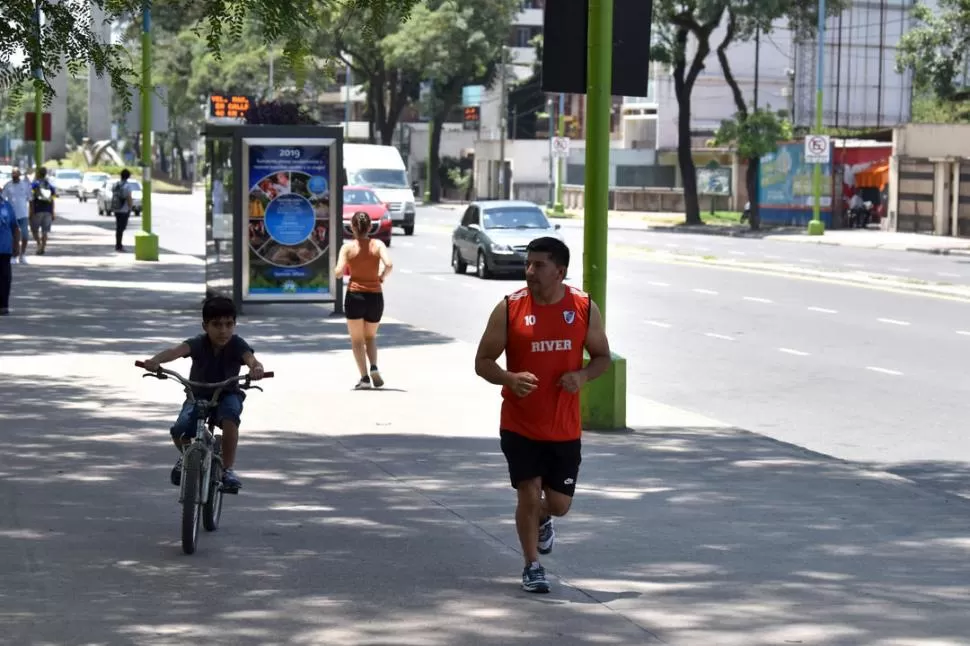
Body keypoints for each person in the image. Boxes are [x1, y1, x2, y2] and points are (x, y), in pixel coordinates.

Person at [474, 237, 612, 594]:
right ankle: (532, 565)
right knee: (528, 492)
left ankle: (546, 519)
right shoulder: (509, 308)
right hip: (519, 422)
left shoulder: (583, 307)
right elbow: (483, 362)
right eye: (529, 264)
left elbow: (601, 358)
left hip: (563, 426)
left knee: (560, 504)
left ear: (560, 271)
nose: (530, 271)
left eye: (539, 265)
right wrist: (508, 378)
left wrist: (581, 375)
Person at [139, 296, 264, 492]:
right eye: (216, 325)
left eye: (228, 324)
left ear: (234, 325)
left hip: (227, 394)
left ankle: (227, 469)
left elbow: (252, 360)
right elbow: (175, 351)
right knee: (179, 430)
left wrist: (256, 369)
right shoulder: (198, 343)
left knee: (231, 418)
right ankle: (187, 455)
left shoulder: (237, 344)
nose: (223, 330)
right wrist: (155, 361)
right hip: (197, 395)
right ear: (205, 326)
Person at [334, 211, 393, 390]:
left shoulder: (348, 248)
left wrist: (341, 270)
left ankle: (365, 378)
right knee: (371, 337)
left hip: (355, 296)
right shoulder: (378, 244)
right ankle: (374, 366)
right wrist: (381, 277)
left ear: (352, 227)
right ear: (369, 227)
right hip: (375, 296)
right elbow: (389, 264)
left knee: (357, 340)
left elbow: (338, 271)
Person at [2, 168, 31, 263]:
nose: (14, 175)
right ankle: (14, 255)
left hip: (23, 214)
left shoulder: (25, 185)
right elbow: (3, 198)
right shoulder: (8, 185)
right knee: (13, 237)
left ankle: (23, 254)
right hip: (12, 215)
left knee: (25, 236)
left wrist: (31, 212)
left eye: (16, 174)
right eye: (12, 174)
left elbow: (30, 198)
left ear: (19, 175)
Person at [0, 196, 20, 315]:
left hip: (4, 249)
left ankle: (3, 305)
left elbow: (15, 227)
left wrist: (16, 245)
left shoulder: (6, 206)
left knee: (5, 279)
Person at [29, 167, 56, 255]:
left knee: (34, 230)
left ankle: (39, 244)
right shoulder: (50, 186)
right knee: (45, 231)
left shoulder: (34, 185)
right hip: (48, 211)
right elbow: (53, 199)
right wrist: (52, 212)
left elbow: (31, 199)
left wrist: (31, 211)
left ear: (38, 174)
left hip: (37, 210)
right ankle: (43, 247)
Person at [108, 169, 134, 252]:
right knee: (121, 228)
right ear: (128, 176)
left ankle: (118, 244)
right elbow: (129, 197)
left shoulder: (116, 184)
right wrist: (130, 207)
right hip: (124, 209)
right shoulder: (127, 186)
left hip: (117, 208)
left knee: (118, 227)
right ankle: (119, 245)